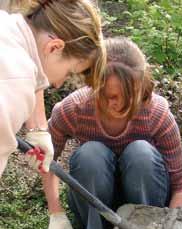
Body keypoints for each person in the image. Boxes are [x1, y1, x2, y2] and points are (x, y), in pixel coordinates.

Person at [43, 36, 182, 229]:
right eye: (108, 95)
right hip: (95, 200)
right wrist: (55, 212)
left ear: (141, 85)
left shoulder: (156, 113)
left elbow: (181, 184)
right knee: (90, 154)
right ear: (93, 84)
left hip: (144, 197)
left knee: (141, 152)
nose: (116, 104)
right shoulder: (75, 109)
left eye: (125, 95)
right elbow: (45, 159)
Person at [0, 0, 106, 177]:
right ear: (55, 47)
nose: (57, 84)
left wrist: (38, 130)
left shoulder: (6, 24)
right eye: (68, 73)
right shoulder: (17, 81)